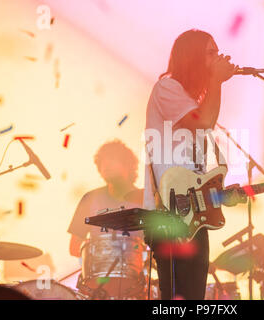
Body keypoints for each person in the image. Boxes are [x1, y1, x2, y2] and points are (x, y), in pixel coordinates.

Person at [143, 29, 245, 300]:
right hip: (169, 215)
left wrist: (220, 195)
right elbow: (204, 121)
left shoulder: (188, 101)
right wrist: (217, 81)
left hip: (192, 217)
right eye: (211, 53)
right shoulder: (167, 88)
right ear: (193, 57)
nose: (219, 57)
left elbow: (197, 175)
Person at [68, 139, 143, 257]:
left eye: (112, 159)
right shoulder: (90, 199)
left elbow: (157, 248)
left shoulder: (145, 200)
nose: (106, 165)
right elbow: (74, 248)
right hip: (100, 274)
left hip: (135, 272)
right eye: (102, 162)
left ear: (128, 165)